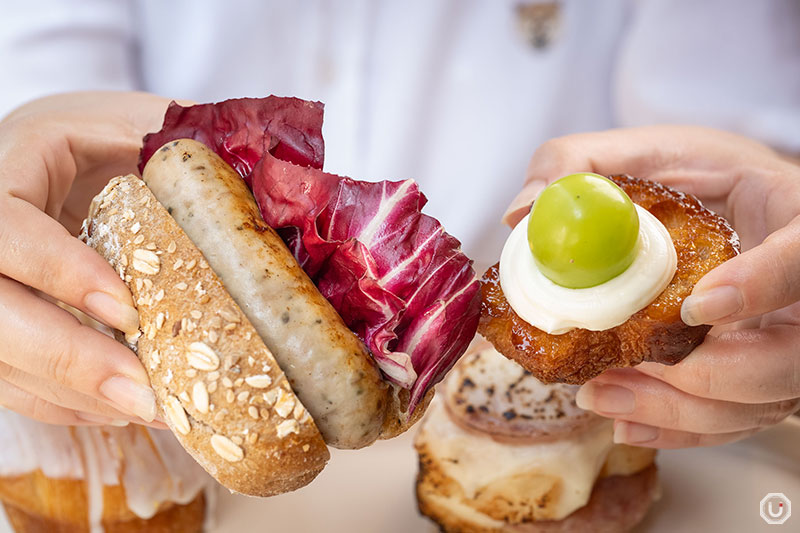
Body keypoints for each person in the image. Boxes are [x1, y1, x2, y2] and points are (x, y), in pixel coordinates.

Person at [0, 1, 798, 447]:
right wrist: (26, 119)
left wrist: (768, 199)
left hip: (568, 396)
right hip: (103, 404)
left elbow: (735, 122)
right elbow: (41, 56)